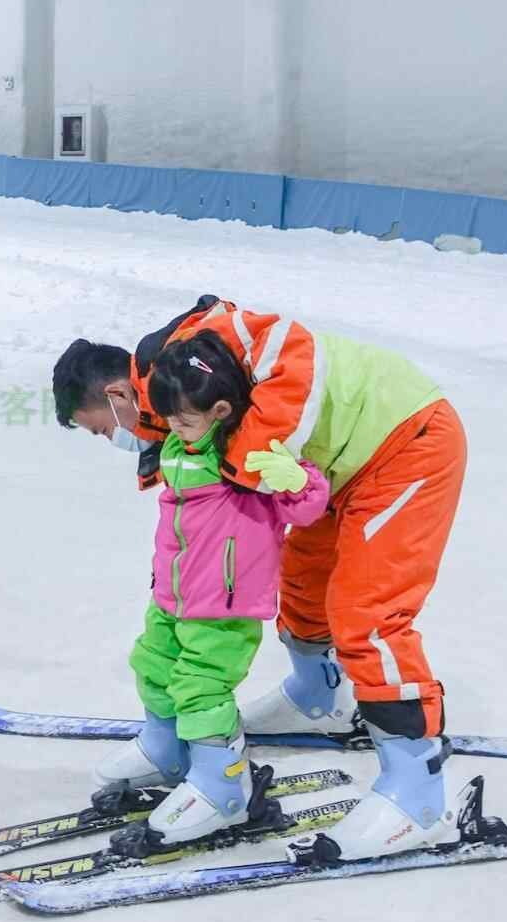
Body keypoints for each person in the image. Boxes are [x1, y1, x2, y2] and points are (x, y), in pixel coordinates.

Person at [53, 295, 468, 862]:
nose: (115, 441)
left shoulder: (188, 351)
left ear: (118, 395)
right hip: (331, 466)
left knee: (367, 614)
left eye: (102, 430)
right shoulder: (174, 415)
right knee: (301, 582)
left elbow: (287, 347)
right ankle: (316, 698)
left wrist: (244, 459)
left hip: (404, 440)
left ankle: (416, 792)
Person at [91, 332, 331, 846]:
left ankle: (224, 785)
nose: (172, 427)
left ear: (221, 409)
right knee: (152, 663)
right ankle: (167, 748)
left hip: (225, 604)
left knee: (202, 686)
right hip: (173, 594)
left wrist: (295, 479)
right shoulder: (180, 441)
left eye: (183, 417)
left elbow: (306, 506)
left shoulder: (249, 451)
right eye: (169, 417)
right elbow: (140, 433)